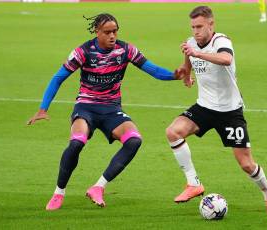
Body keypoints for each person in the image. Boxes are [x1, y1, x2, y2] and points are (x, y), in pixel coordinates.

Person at [27, 13, 183, 211]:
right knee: (77, 142)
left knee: (134, 140)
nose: (112, 36)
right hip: (86, 107)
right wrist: (43, 109)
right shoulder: (83, 52)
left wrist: (174, 76)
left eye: (115, 31)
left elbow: (152, 70)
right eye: (107, 32)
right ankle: (59, 192)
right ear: (97, 32)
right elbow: (58, 78)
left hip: (111, 109)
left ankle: (98, 187)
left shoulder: (126, 50)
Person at [166, 6, 267, 214]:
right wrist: (185, 74)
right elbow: (188, 63)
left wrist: (197, 53)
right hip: (205, 107)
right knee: (173, 131)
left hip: (230, 111)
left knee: (246, 164)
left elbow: (225, 59)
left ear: (211, 24)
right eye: (193, 27)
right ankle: (193, 183)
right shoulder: (191, 44)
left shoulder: (222, 41)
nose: (196, 31)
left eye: (200, 26)